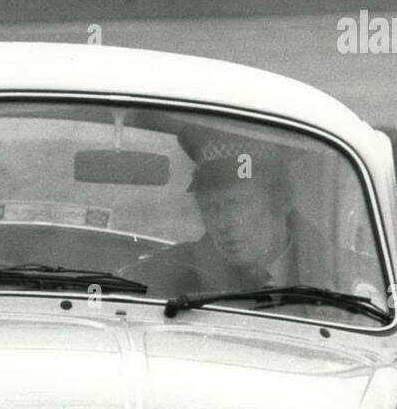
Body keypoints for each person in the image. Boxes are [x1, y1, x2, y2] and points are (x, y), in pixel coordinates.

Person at [122, 127, 374, 304]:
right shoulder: (165, 274)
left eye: (237, 204)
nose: (223, 223)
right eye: (211, 207)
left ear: (282, 200)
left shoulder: (347, 281)